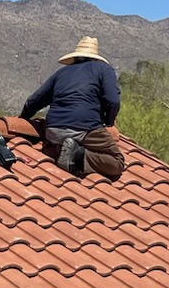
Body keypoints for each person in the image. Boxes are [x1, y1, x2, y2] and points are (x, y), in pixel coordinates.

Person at [20, 36, 125, 180]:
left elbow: (34, 100)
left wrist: (22, 120)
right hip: (86, 128)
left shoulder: (61, 73)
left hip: (53, 130)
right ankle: (79, 157)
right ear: (95, 58)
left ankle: (67, 149)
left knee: (66, 142)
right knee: (117, 162)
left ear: (75, 58)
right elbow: (113, 100)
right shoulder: (103, 69)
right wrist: (109, 121)